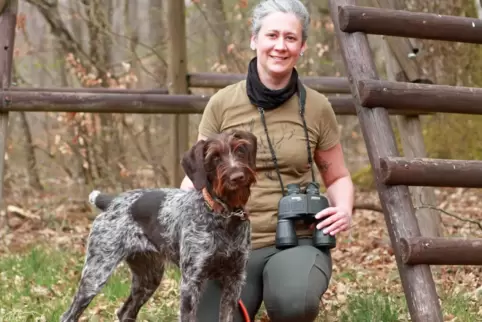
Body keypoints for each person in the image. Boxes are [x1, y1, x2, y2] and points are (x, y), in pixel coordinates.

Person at [180, 0, 354, 321]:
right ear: (254, 40)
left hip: (296, 239)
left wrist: (342, 209)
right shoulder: (222, 104)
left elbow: (339, 176)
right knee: (207, 317)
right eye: (271, 35)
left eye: (290, 38)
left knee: (293, 303)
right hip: (230, 242)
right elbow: (195, 176)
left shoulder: (317, 107)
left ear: (302, 46)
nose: (280, 46)